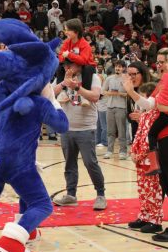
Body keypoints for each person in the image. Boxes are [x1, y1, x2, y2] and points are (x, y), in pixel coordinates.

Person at [122, 65, 168, 243]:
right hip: (165, 138)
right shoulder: (164, 86)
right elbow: (151, 105)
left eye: (165, 62)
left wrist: (164, 106)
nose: (160, 65)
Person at [53, 58, 107, 210]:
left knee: (90, 162)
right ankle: (71, 194)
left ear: (80, 64)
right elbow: (49, 94)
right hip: (66, 128)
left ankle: (101, 195)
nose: (67, 67)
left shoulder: (93, 77)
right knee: (69, 163)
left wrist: (77, 87)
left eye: (71, 64)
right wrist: (64, 83)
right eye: (65, 65)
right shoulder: (61, 78)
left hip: (86, 128)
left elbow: (95, 97)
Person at [128, 82, 163, 234]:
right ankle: (145, 216)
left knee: (153, 189)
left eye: (142, 96)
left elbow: (150, 140)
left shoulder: (156, 116)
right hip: (140, 159)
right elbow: (138, 136)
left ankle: (155, 220)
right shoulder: (145, 116)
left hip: (151, 159)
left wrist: (141, 154)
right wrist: (133, 152)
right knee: (143, 189)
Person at [57, 18, 96, 92]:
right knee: (60, 68)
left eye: (68, 30)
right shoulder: (67, 42)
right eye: (65, 30)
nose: (66, 32)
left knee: (87, 69)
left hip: (86, 65)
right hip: (71, 63)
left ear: (76, 31)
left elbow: (83, 61)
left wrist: (69, 54)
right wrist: (65, 64)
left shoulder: (85, 44)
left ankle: (85, 93)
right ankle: (62, 92)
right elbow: (60, 55)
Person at [102, 60, 128, 159]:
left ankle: (123, 151)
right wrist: (109, 93)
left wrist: (119, 94)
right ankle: (109, 150)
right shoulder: (109, 78)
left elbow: (129, 94)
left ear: (123, 68)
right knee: (110, 131)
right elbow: (103, 91)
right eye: (117, 66)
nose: (118, 68)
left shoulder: (126, 79)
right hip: (110, 107)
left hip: (121, 107)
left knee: (121, 130)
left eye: (120, 67)